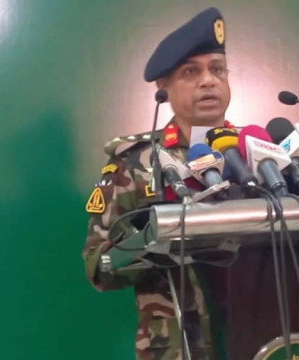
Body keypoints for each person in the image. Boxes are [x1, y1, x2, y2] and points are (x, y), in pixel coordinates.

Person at [82, 7, 233, 360]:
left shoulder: (259, 157)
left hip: (258, 336)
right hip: (177, 348)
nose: (208, 80)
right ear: (163, 88)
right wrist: (153, 239)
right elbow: (97, 266)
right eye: (191, 72)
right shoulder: (136, 162)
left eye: (218, 69)